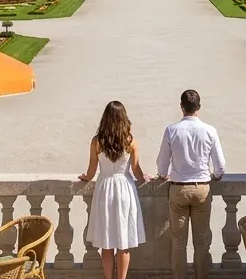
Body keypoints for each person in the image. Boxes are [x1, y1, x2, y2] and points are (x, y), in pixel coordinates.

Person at [156, 89, 226, 279]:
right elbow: (220, 166)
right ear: (199, 108)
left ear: (181, 107)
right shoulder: (210, 130)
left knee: (179, 242)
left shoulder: (172, 130)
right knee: (201, 241)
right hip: (202, 188)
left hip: (178, 188)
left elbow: (162, 166)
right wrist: (216, 176)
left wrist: (164, 174)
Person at [80, 101, 147, 279]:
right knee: (123, 242)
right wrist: (144, 178)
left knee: (107, 242)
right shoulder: (130, 140)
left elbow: (92, 170)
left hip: (105, 189)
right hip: (124, 188)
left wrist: (85, 178)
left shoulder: (97, 141)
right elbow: (135, 169)